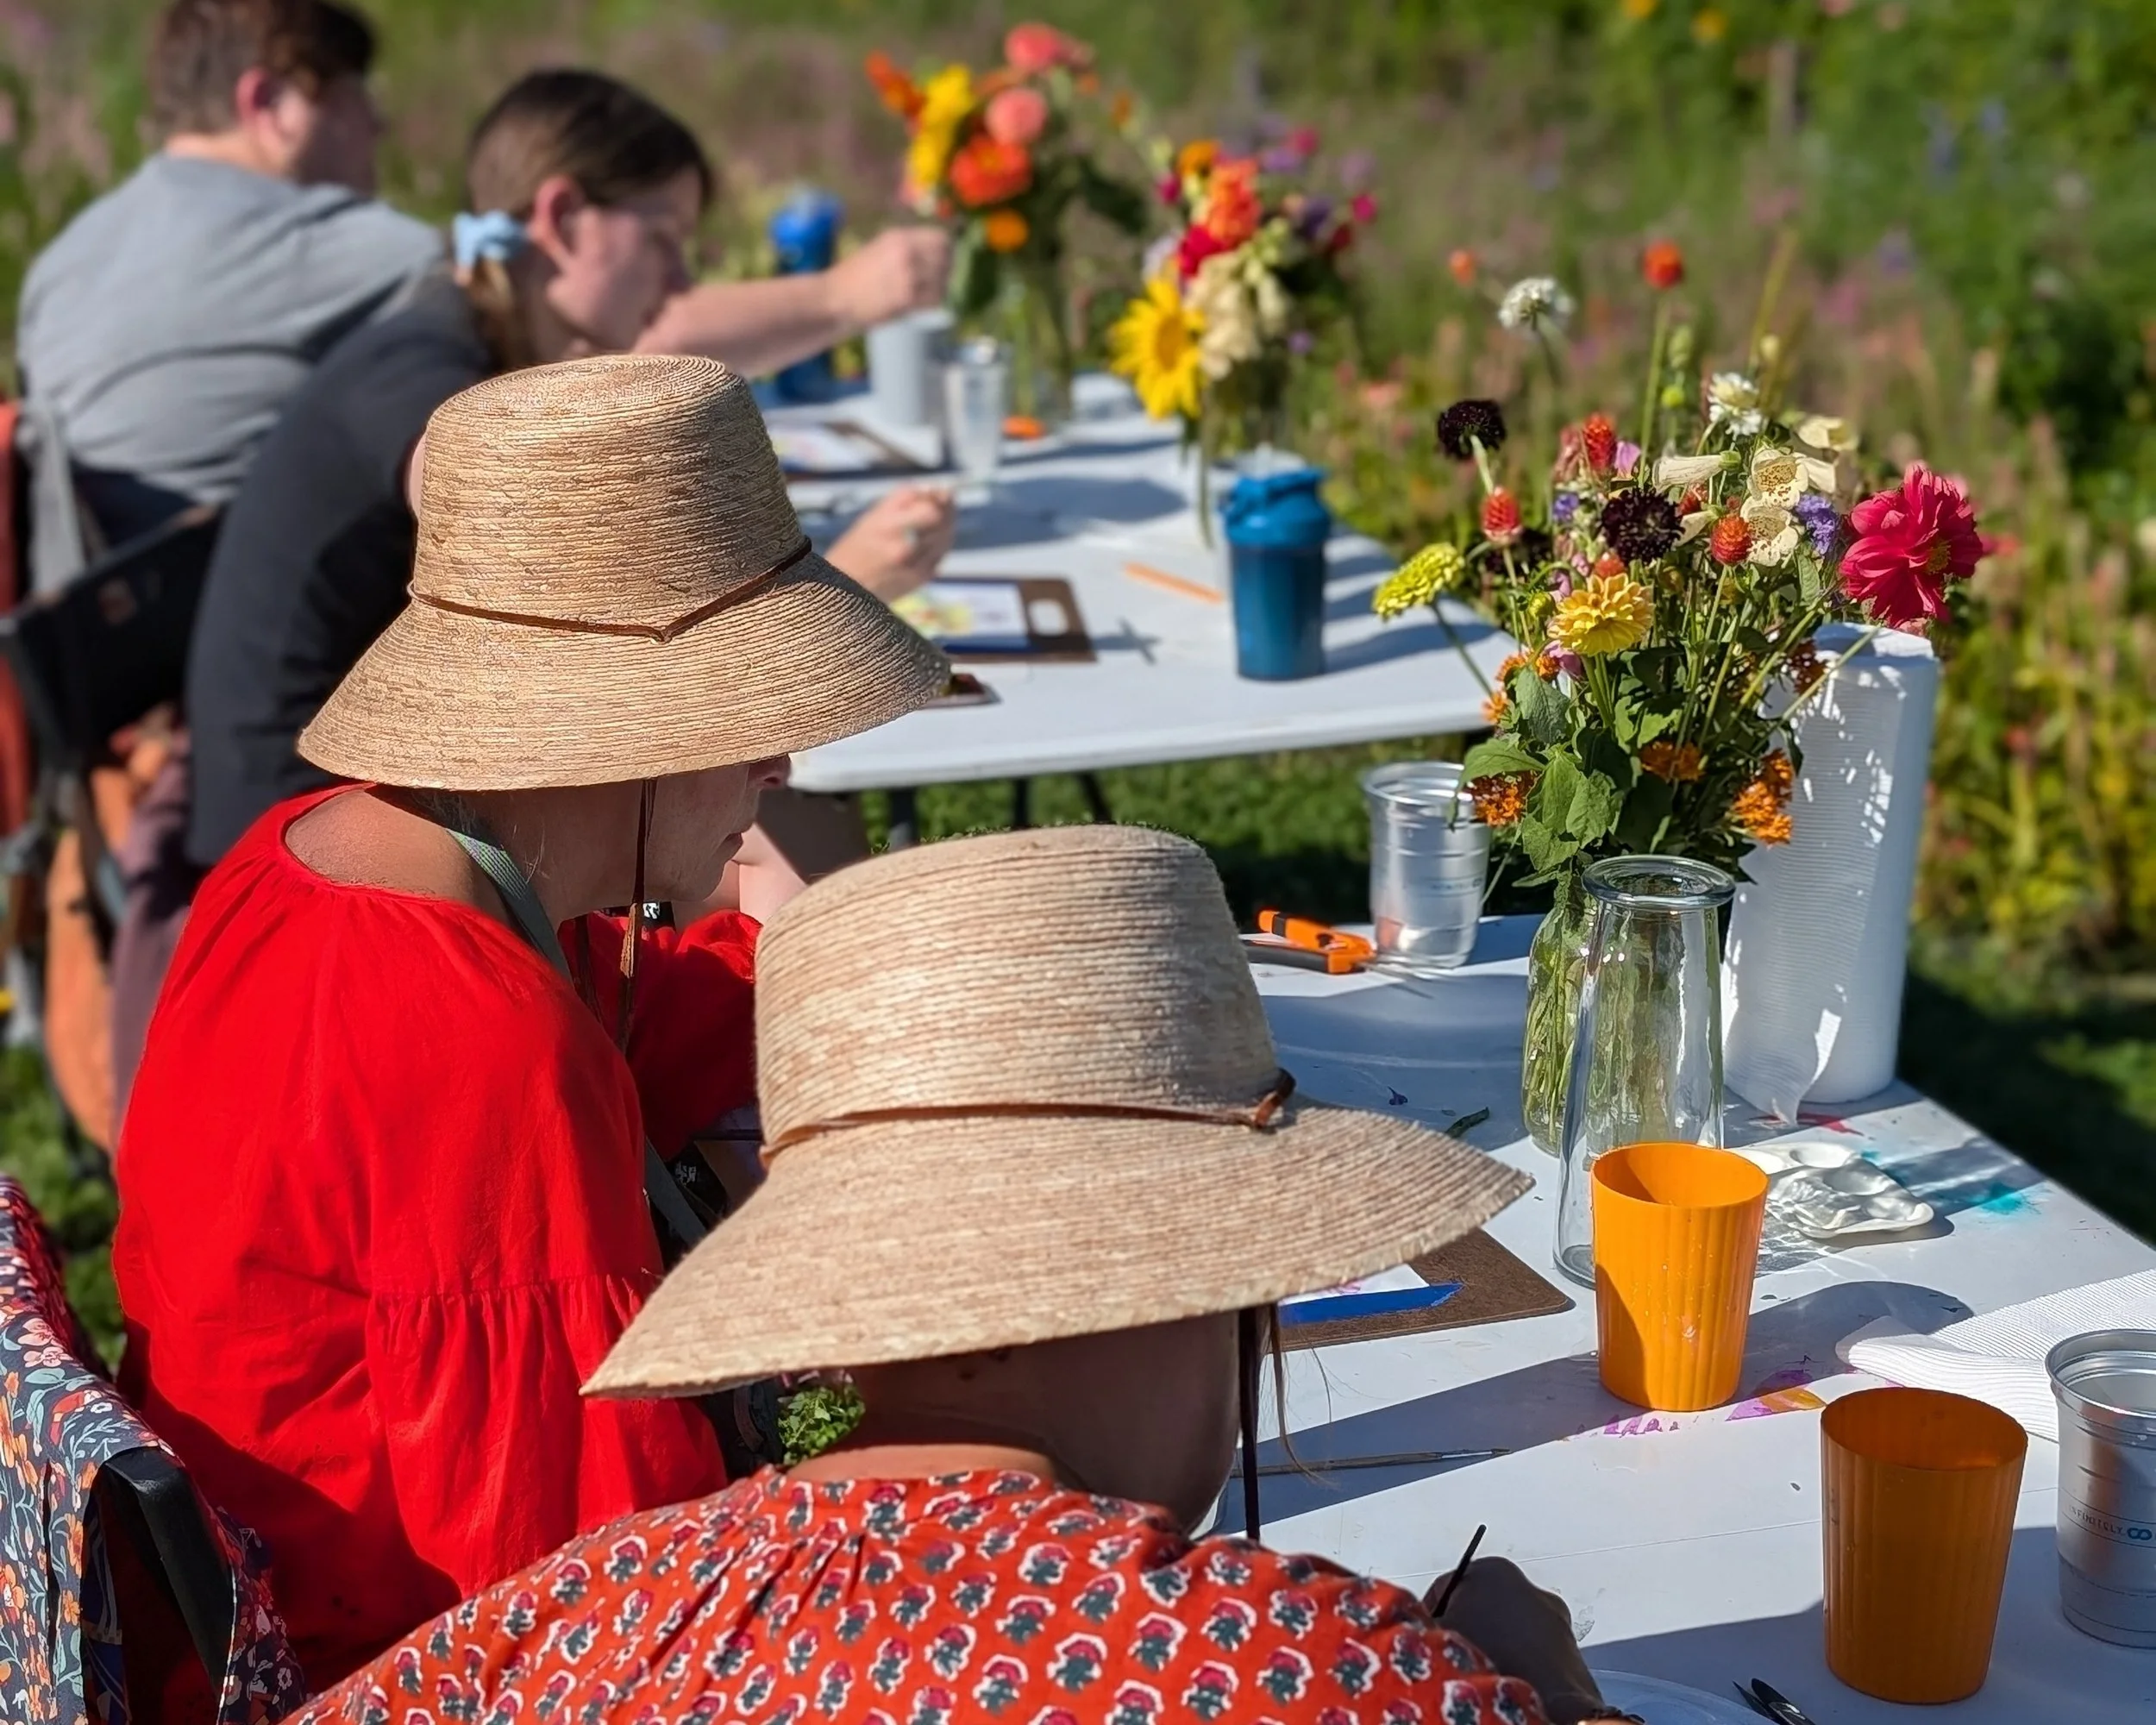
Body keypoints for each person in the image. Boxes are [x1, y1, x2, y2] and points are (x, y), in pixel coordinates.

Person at [294, 821, 1624, 1725]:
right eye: (1233, 1278)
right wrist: (1535, 1699)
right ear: (1012, 1308)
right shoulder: (1311, 1673)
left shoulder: (558, 1622)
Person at [113, 353, 950, 1686]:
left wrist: (827, 955)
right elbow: (614, 1580)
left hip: (267, 1578)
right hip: (390, 1652)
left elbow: (632, 1030)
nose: (783, 768)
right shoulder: (485, 1044)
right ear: (625, 734)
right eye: (753, 723)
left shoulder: (311, 858)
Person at [149, 67, 952, 1121]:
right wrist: (750, 603)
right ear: (562, 215)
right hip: (333, 822)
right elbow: (508, 522)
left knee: (783, 851)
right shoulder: (419, 369)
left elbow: (655, 363)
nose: (679, 277)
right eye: (663, 234)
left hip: (381, 813)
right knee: (797, 844)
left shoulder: (473, 324)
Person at [16, 0, 437, 583]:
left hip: (78, 636)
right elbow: (500, 295)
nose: (376, 123)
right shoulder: (329, 244)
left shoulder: (58, 266)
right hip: (222, 632)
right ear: (269, 105)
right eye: (351, 94)